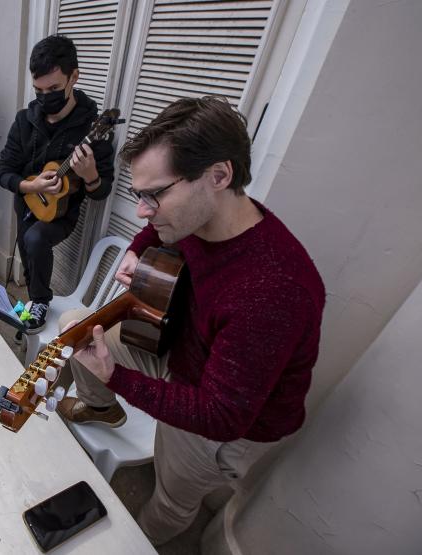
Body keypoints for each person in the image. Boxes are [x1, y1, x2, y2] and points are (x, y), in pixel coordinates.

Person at [56, 96, 326, 546]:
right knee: (78, 323)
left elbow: (222, 415)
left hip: (230, 421)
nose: (143, 211)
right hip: (181, 352)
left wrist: (117, 376)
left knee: (173, 496)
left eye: (154, 195)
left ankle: (139, 541)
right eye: (139, 195)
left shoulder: (273, 290)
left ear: (219, 176)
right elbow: (155, 229)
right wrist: (137, 248)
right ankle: (102, 406)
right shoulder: (199, 217)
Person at [0, 35, 114, 332]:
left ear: (74, 76)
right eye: (38, 90)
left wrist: (90, 176)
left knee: (36, 240)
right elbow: (4, 172)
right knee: (28, 250)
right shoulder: (24, 121)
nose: (45, 97)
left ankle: (40, 301)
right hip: (26, 202)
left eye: (53, 89)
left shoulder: (92, 128)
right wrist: (30, 187)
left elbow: (101, 191)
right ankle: (32, 304)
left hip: (62, 213)